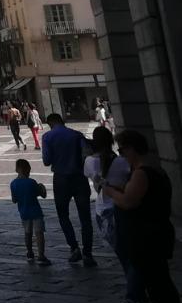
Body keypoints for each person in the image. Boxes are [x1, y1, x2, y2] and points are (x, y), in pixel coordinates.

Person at [104, 130, 181, 303]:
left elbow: (129, 201)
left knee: (157, 283)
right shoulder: (155, 169)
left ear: (132, 149)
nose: (121, 155)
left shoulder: (141, 173)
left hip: (147, 235)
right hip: (156, 231)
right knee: (159, 280)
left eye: (122, 151)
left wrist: (111, 192)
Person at [40, 112, 97, 267]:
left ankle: (74, 248)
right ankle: (88, 253)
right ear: (62, 121)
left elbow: (46, 161)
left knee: (63, 214)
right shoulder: (77, 135)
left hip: (61, 179)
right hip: (79, 178)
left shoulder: (48, 137)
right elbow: (87, 155)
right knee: (85, 217)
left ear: (50, 123)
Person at [85, 126, 130, 262]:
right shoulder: (122, 161)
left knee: (121, 252)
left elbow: (92, 179)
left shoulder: (89, 161)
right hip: (122, 206)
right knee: (130, 253)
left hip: (103, 209)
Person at [10, 158, 52, 266]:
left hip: (24, 211)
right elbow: (41, 194)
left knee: (27, 233)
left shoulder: (13, 183)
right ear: (28, 170)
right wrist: (41, 188)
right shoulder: (31, 182)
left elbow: (14, 200)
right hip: (35, 211)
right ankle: (41, 256)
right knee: (39, 233)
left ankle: (29, 253)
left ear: (16, 170)